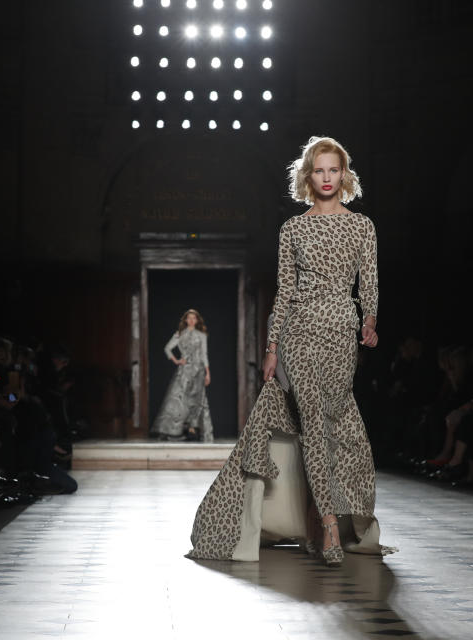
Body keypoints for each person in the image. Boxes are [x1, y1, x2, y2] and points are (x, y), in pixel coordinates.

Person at [187, 136, 393, 566]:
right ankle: (330, 524)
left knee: (340, 424)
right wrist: (272, 347)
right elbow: (285, 292)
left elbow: (369, 282)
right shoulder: (293, 229)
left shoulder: (362, 226)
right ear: (307, 175)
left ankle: (331, 519)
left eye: (333, 170)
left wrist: (370, 320)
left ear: (344, 174)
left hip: (341, 330)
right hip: (299, 332)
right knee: (313, 423)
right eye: (319, 170)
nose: (327, 178)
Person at [151, 309, 214, 443]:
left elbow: (204, 354)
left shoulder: (201, 335)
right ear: (185, 320)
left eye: (194, 318)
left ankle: (194, 429)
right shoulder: (180, 334)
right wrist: (177, 360)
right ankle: (171, 431)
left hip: (199, 371)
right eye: (189, 318)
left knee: (198, 400)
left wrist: (208, 373)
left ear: (197, 320)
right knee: (178, 399)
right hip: (184, 370)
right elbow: (167, 348)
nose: (191, 320)